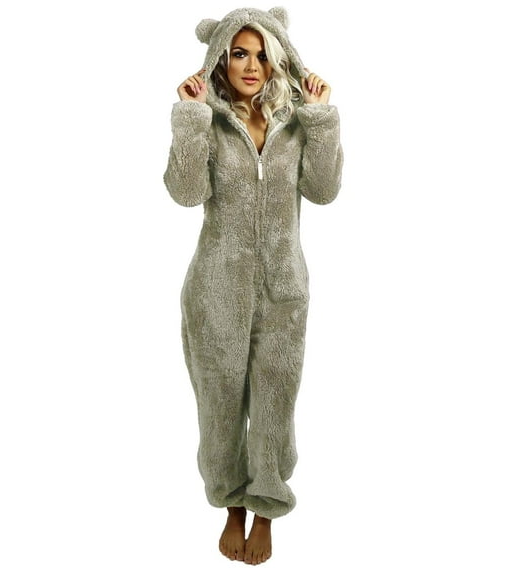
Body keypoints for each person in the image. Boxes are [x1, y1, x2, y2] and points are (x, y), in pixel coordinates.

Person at [164, 6, 343, 565]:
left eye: (263, 55)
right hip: (215, 290)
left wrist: (321, 118)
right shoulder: (209, 123)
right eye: (239, 53)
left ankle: (264, 508)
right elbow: (185, 193)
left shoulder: (296, 122)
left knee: (274, 405)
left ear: (279, 60)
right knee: (219, 406)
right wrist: (190, 118)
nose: (251, 65)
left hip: (284, 290)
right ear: (220, 58)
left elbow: (324, 191)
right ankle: (230, 505)